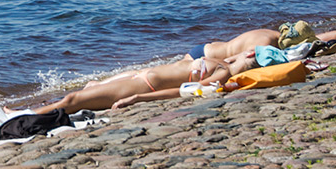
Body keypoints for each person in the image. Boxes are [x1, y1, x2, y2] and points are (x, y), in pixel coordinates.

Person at [29, 49, 261, 116]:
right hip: (139, 75)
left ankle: (24, 115)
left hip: (142, 86)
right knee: (88, 88)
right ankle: (32, 109)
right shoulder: (223, 63)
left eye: (250, 52)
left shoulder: (221, 76)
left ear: (250, 56)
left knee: (73, 100)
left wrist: (137, 98)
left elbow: (182, 92)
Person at [187, 28, 280, 62]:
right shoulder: (265, 41)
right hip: (206, 56)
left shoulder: (269, 32)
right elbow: (246, 56)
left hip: (209, 49)